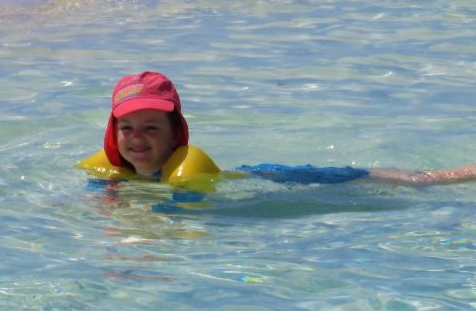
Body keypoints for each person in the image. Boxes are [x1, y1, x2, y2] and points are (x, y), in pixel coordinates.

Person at [78, 71, 476, 191]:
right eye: (126, 128)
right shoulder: (112, 175)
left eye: (150, 127)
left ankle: (458, 173)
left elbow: (183, 222)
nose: (136, 138)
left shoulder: (187, 171)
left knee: (407, 181)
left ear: (175, 134)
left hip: (263, 174)